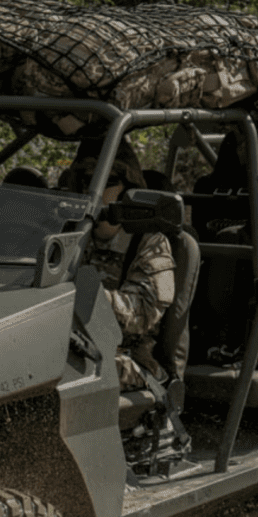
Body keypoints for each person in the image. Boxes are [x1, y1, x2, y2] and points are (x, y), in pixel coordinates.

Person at [85, 157, 175, 391]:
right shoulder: (73, 236)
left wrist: (82, 296)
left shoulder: (152, 243)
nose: (91, 189)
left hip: (132, 361)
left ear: (129, 190)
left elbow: (143, 315)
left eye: (105, 181)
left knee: (61, 371)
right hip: (75, 344)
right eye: (84, 180)